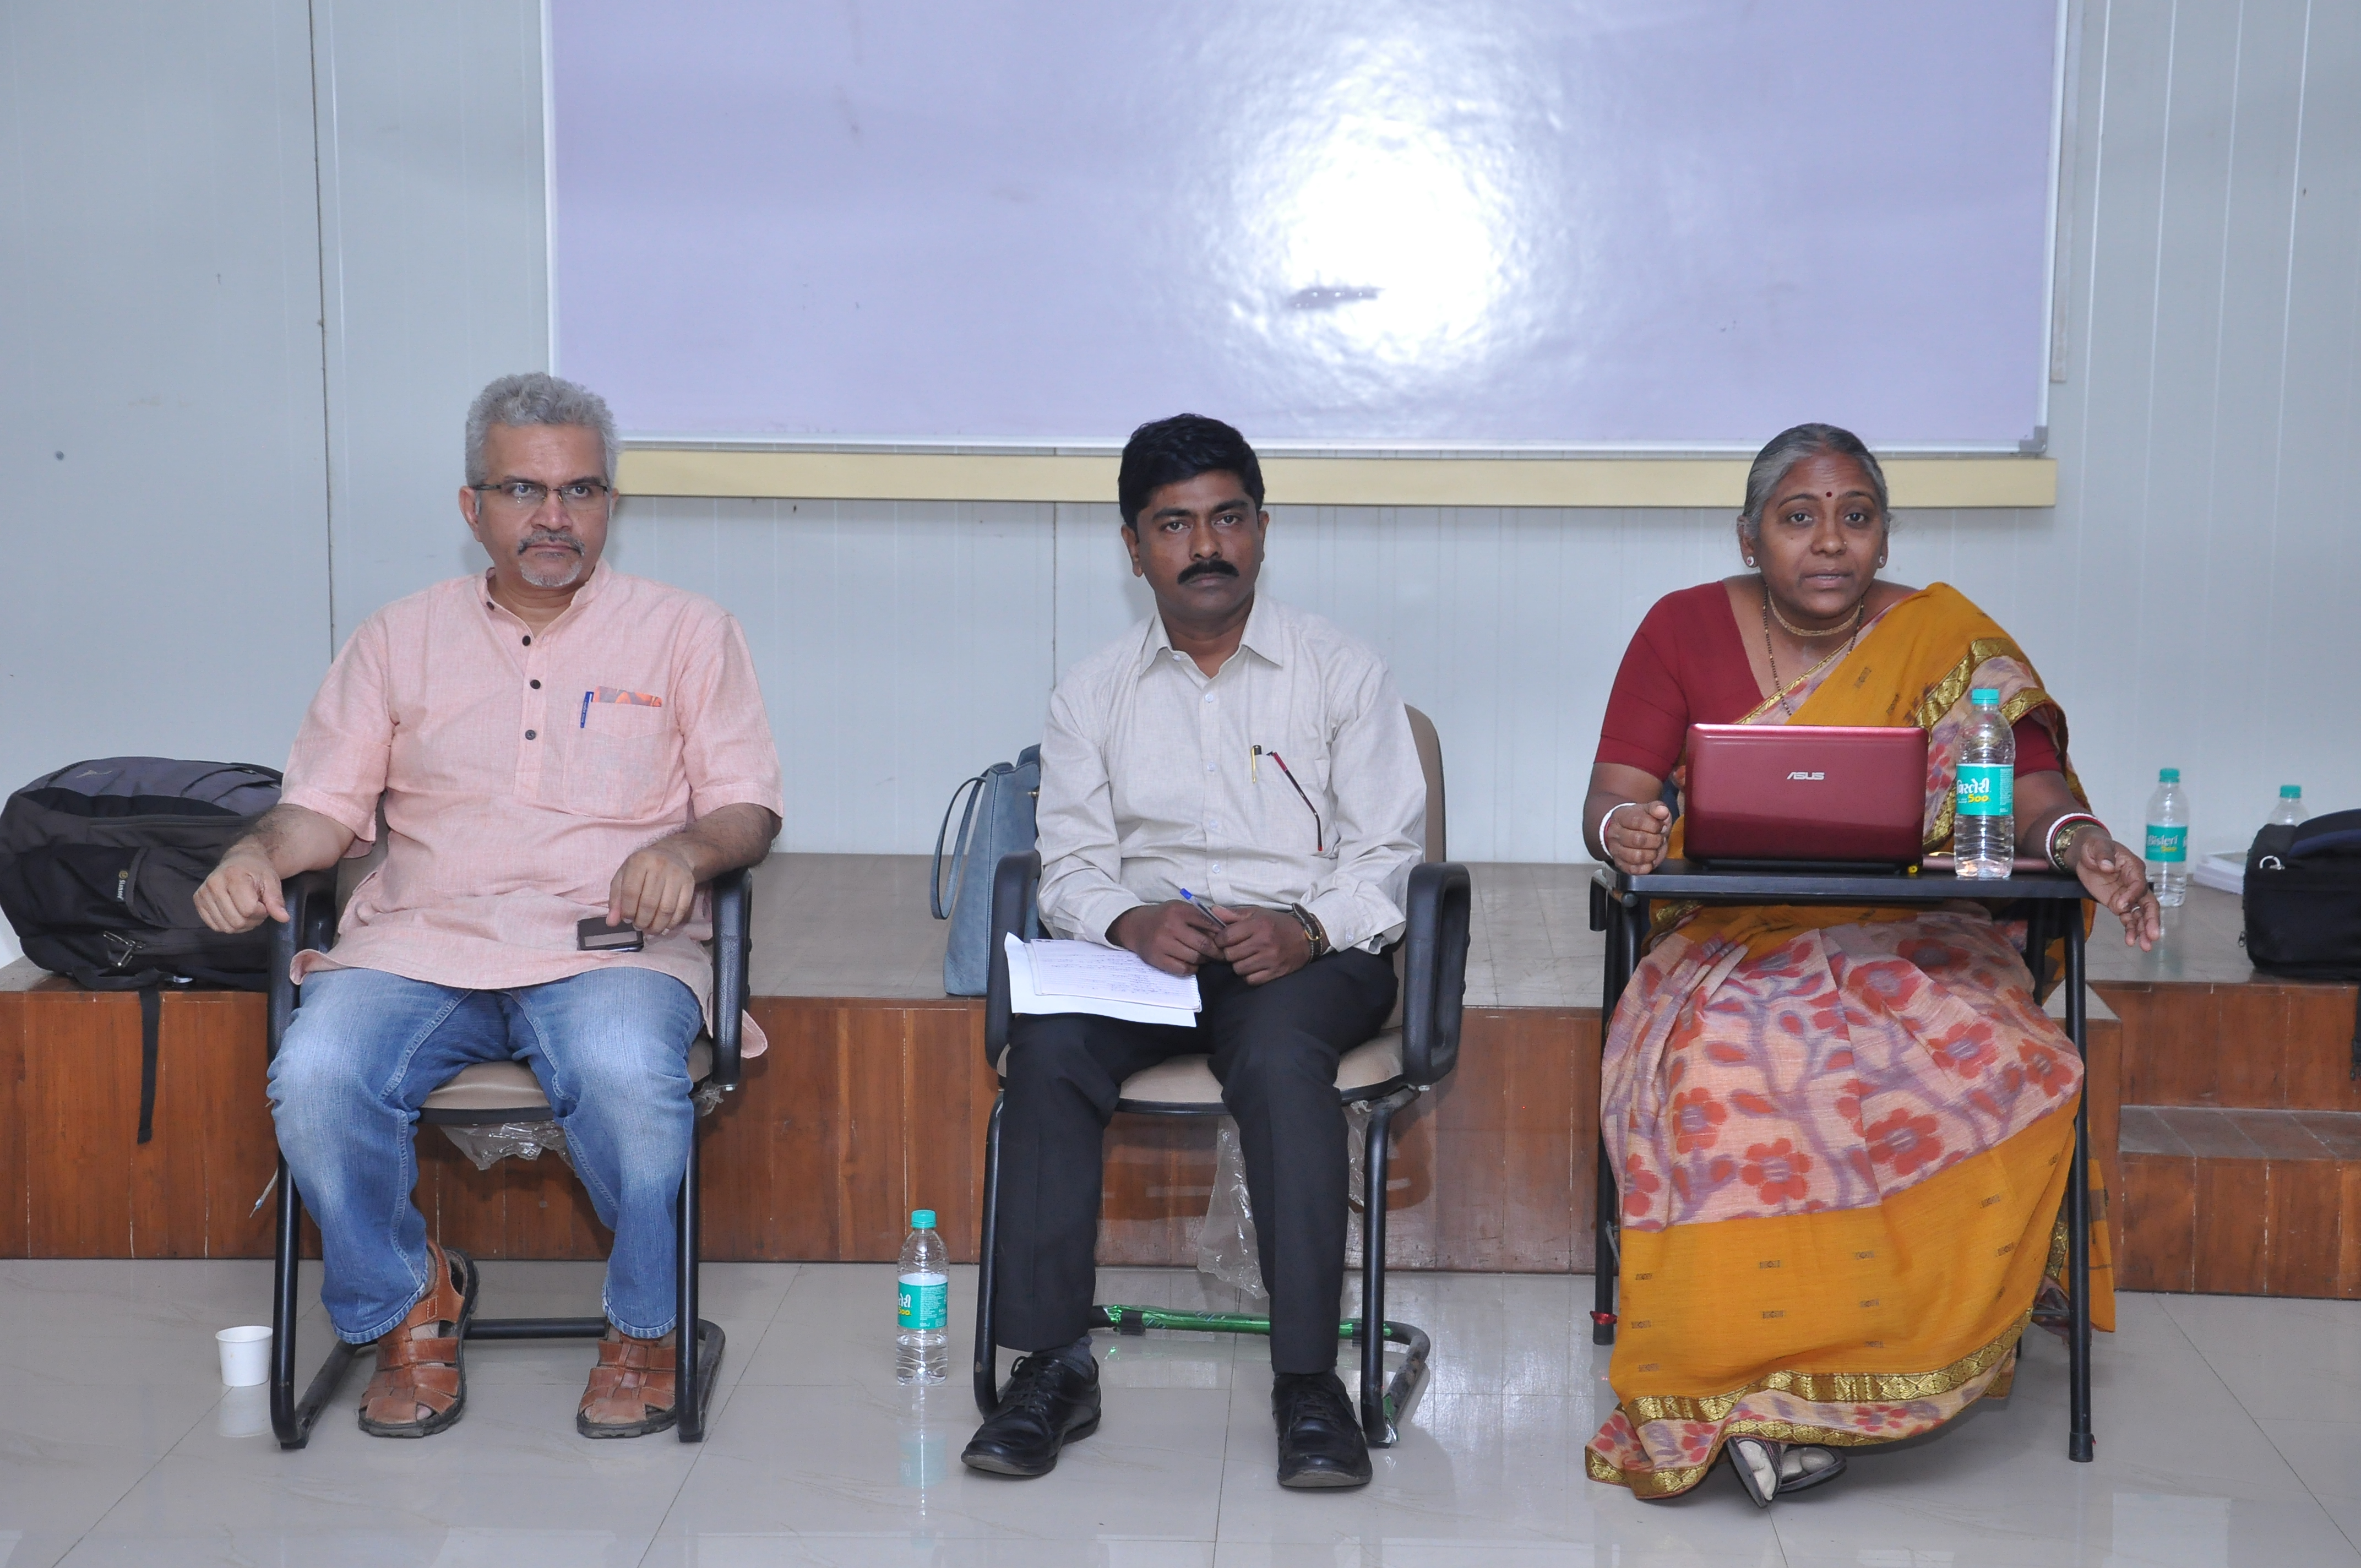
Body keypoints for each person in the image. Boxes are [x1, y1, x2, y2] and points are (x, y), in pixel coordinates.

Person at [1580, 423, 2160, 1505]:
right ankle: (1738, 1381)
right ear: (1749, 535)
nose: (1830, 540)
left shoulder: (1948, 642)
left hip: (1913, 937)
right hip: (1728, 937)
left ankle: (1850, 1374)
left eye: (1856, 515)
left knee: (2004, 1062)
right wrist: (1623, 825)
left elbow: (2028, 794)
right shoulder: (1680, 628)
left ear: (1884, 531)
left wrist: (2081, 839)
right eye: (1798, 516)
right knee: (1722, 1071)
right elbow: (1611, 787)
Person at [195, 373, 782, 1440]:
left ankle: (643, 1322)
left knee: (622, 1073)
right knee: (316, 1076)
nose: (554, 518)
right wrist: (253, 852)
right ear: (472, 507)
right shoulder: (395, 638)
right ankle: (408, 1296)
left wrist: (687, 847)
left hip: (608, 947)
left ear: (612, 503)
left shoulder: (687, 633)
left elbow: (747, 805)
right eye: (523, 490)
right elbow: (317, 812)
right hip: (422, 940)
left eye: (581, 491)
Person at [962, 413, 1426, 1490]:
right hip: (1149, 951)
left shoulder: (1342, 671)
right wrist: (1124, 920)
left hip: (1306, 949)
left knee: (1275, 1063)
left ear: (1262, 530)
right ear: (1134, 547)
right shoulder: (1091, 690)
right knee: (1049, 1052)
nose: (1203, 544)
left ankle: (1308, 1380)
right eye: (1173, 524)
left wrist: (1306, 925)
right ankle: (1051, 1365)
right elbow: (1068, 861)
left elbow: (1390, 855)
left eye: (1226, 517)